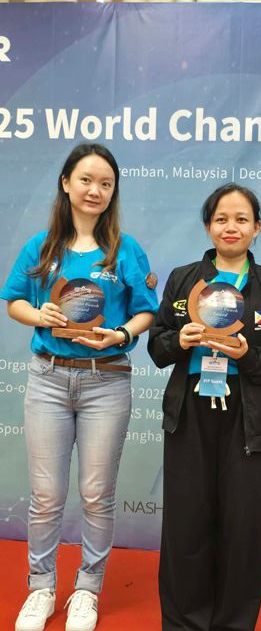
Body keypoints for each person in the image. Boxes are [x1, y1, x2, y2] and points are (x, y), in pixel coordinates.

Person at [0, 143, 159, 631]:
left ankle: (87, 589)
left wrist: (121, 334)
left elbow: (147, 311)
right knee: (46, 494)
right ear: (66, 183)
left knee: (95, 493)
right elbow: (13, 302)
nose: (95, 190)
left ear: (113, 193)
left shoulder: (125, 249)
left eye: (106, 184)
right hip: (48, 379)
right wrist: (39, 314)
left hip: (105, 380)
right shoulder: (42, 247)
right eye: (86, 180)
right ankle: (41, 587)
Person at [148, 182, 261, 631]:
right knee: (186, 524)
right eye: (221, 219)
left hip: (247, 414)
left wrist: (248, 356)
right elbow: (157, 347)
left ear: (258, 227)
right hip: (190, 411)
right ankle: (184, 622)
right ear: (207, 226)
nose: (230, 227)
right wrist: (178, 340)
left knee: (243, 528)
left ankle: (234, 623)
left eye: (241, 219)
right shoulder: (183, 280)